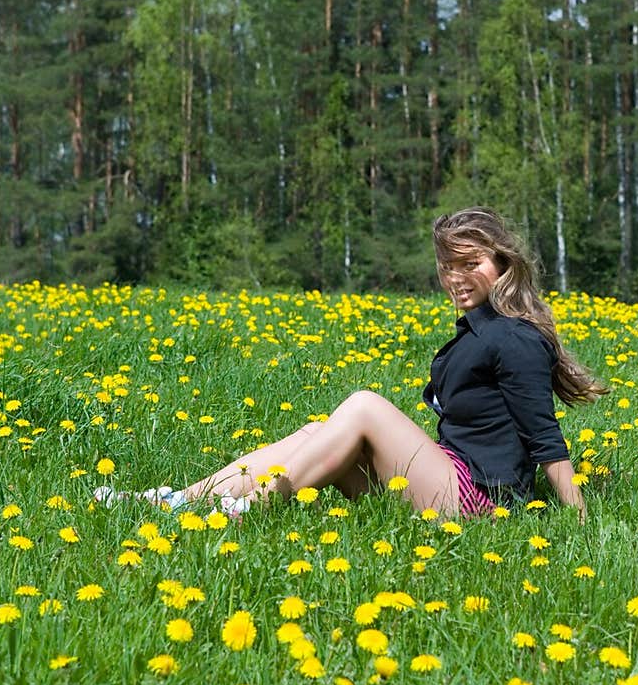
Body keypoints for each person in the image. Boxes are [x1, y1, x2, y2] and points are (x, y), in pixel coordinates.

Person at [95, 208, 607, 521]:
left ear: (502, 265)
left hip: (480, 503)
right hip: (448, 479)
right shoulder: (481, 328)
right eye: (447, 266)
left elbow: (544, 438)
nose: (456, 278)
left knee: (363, 406)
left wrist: (577, 521)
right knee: (318, 430)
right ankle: (177, 501)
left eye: (470, 264)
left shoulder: (514, 337)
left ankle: (252, 510)